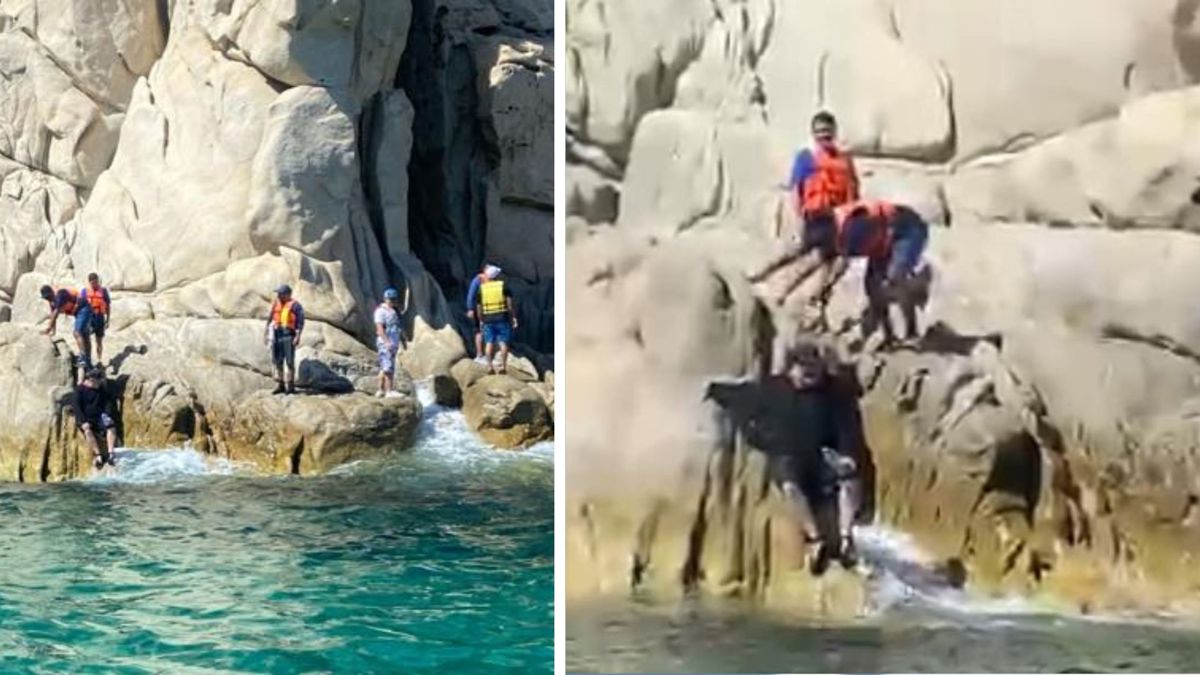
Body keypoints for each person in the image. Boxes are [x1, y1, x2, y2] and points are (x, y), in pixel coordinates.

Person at [704, 341, 863, 574]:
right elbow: (740, 394)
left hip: (822, 456)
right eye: (805, 370)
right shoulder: (772, 389)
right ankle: (815, 539)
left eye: (815, 370)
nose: (811, 375)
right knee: (789, 485)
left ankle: (847, 537)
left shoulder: (834, 393)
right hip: (789, 457)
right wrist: (713, 390)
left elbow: (847, 426)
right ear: (792, 368)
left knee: (850, 477)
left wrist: (847, 456)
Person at [748, 111, 860, 305]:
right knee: (802, 253)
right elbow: (796, 190)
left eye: (827, 131)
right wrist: (799, 219)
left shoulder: (844, 161)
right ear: (813, 134)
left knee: (830, 260)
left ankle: (794, 294)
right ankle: (758, 276)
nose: (824, 136)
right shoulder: (807, 157)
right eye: (819, 132)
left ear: (834, 132)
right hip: (815, 215)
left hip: (836, 218)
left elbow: (853, 193)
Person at [811, 199, 930, 347]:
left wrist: (828, 285)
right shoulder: (833, 229)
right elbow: (834, 262)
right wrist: (825, 287)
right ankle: (889, 336)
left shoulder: (852, 228)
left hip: (908, 232)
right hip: (882, 240)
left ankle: (912, 333)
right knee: (872, 288)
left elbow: (843, 262)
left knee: (892, 280)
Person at [71, 366, 118, 470]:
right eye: (98, 381)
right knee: (87, 430)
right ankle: (98, 455)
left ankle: (111, 453)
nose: (100, 383)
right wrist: (83, 421)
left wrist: (107, 415)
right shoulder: (79, 391)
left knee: (111, 426)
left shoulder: (101, 389)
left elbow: (107, 404)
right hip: (86, 419)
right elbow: (77, 407)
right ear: (91, 380)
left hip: (99, 416)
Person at [476, 265, 518, 375]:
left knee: (489, 343)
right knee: (503, 343)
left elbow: (479, 307)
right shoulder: (503, 286)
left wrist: (480, 320)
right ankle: (503, 367)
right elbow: (509, 305)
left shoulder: (482, 288)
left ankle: (490, 367)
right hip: (502, 318)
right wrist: (513, 317)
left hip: (487, 319)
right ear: (496, 276)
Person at [264, 284, 305, 394]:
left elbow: (300, 322)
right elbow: (270, 318)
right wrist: (266, 332)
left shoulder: (296, 306)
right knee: (278, 360)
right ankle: (281, 385)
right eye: (278, 293)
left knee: (290, 361)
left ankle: (290, 387)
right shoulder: (276, 303)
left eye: (281, 293)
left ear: (287, 294)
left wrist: (297, 336)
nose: (279, 295)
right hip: (277, 334)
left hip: (288, 335)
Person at [374, 286, 409, 397]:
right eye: (391, 299)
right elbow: (380, 329)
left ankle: (380, 390)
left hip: (393, 342)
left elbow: (397, 327)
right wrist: (387, 342)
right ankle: (389, 391)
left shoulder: (394, 311)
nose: (393, 301)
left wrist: (402, 340)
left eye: (394, 299)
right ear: (385, 299)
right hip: (385, 342)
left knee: (385, 366)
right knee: (388, 367)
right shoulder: (380, 311)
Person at [40, 284, 89, 358]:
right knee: (84, 336)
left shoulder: (60, 294)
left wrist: (48, 328)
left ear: (51, 292)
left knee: (77, 333)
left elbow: (55, 314)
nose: (47, 299)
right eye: (46, 298)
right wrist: (53, 332)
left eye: (48, 297)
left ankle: (83, 356)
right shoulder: (52, 303)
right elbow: (53, 317)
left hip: (84, 308)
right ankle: (87, 360)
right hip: (77, 312)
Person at [77, 273, 112, 369]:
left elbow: (108, 305)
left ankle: (99, 359)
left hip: (100, 317)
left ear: (98, 281)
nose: (94, 284)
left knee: (99, 341)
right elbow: (79, 305)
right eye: (92, 283)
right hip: (89, 317)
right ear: (89, 282)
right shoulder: (84, 292)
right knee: (86, 338)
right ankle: (87, 359)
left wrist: (108, 319)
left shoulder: (103, 291)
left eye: (96, 282)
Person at [465, 264, 496, 363]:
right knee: (479, 331)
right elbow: (471, 295)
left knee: (488, 330)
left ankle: (489, 355)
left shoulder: (490, 280)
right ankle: (479, 355)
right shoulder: (477, 280)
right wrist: (470, 308)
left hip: (488, 308)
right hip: (478, 309)